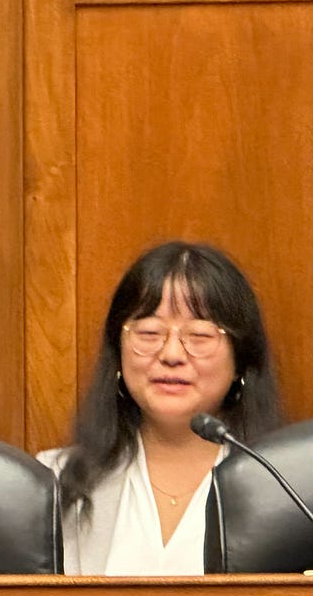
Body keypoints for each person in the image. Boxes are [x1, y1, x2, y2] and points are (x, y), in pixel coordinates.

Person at [40, 242, 282, 574]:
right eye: (149, 332)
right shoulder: (53, 481)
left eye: (198, 335)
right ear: (118, 353)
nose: (171, 354)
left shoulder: (284, 489)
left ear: (241, 360)